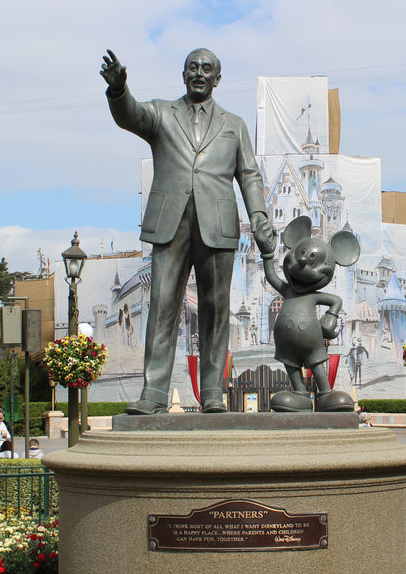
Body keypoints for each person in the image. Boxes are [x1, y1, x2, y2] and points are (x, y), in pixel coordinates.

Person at [100, 48, 277, 415]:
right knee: (162, 305)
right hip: (170, 224)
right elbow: (130, 115)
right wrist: (119, 90)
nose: (199, 73)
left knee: (215, 309)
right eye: (193, 67)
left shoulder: (234, 124)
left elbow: (249, 175)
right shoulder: (163, 113)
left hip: (218, 226)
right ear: (183, 75)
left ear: (218, 78)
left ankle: (212, 392)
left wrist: (258, 217)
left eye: (207, 69)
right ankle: (154, 394)